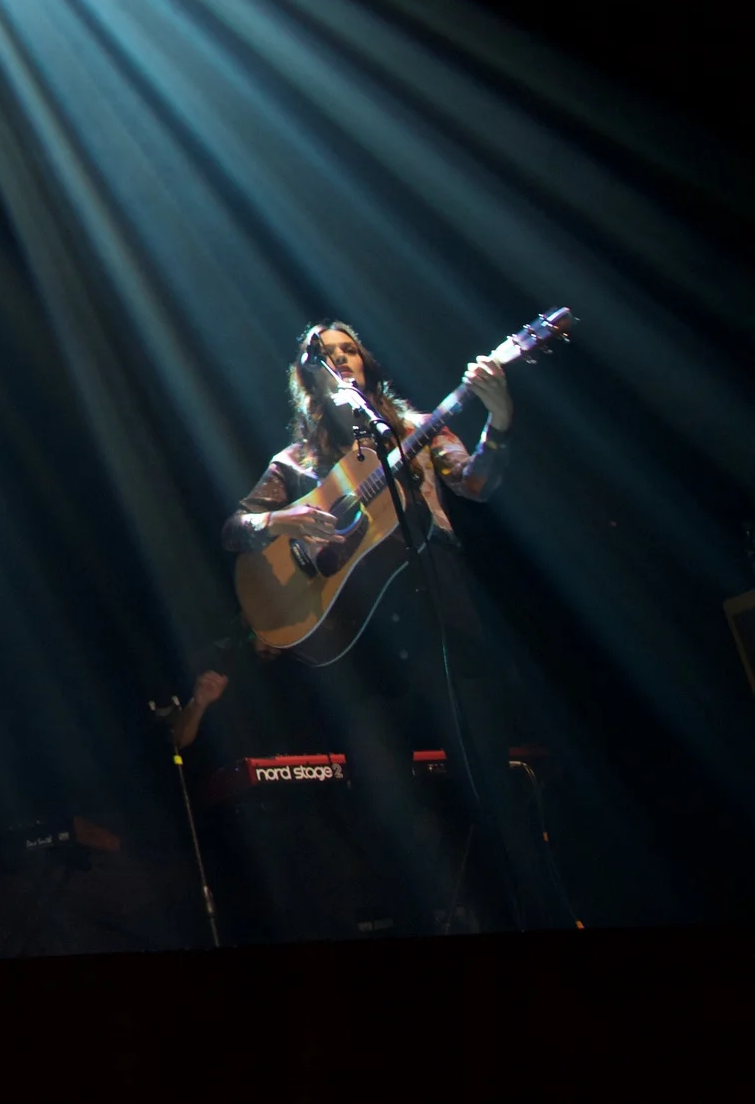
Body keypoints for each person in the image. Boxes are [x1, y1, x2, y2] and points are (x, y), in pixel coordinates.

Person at [218, 319, 538, 933]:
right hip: (361, 639)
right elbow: (236, 529)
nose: (343, 361)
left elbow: (476, 483)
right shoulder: (298, 461)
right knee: (388, 807)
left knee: (490, 787)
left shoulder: (414, 429)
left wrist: (496, 422)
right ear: (309, 378)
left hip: (439, 613)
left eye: (350, 352)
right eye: (328, 356)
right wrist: (284, 521)